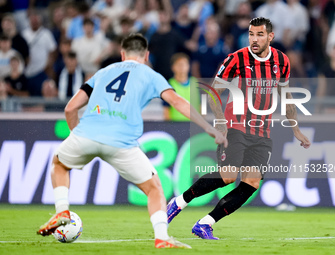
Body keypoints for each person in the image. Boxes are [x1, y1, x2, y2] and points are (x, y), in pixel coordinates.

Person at [36, 33, 227, 248]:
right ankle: (162, 238)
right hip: (122, 142)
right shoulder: (151, 75)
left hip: (86, 134)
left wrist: (76, 135)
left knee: (59, 164)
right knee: (155, 189)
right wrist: (208, 127)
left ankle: (62, 211)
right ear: (146, 55)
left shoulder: (102, 72)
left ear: (122, 53)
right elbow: (176, 102)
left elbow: (70, 108)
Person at [167, 17, 311, 239]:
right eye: (251, 34)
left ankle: (205, 223)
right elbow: (214, 93)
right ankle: (178, 202)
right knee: (227, 176)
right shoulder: (236, 59)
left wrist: (296, 129)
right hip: (236, 125)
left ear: (270, 37)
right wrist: (221, 122)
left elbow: (286, 95)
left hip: (263, 131)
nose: (254, 39)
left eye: (259, 35)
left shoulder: (282, 61)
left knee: (251, 183)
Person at [163, 53, 200, 121]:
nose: (182, 67)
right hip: (176, 125)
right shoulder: (168, 85)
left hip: (194, 125)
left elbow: (202, 105)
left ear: (188, 66)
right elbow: (166, 108)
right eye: (179, 65)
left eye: (184, 64)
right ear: (173, 67)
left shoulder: (196, 83)